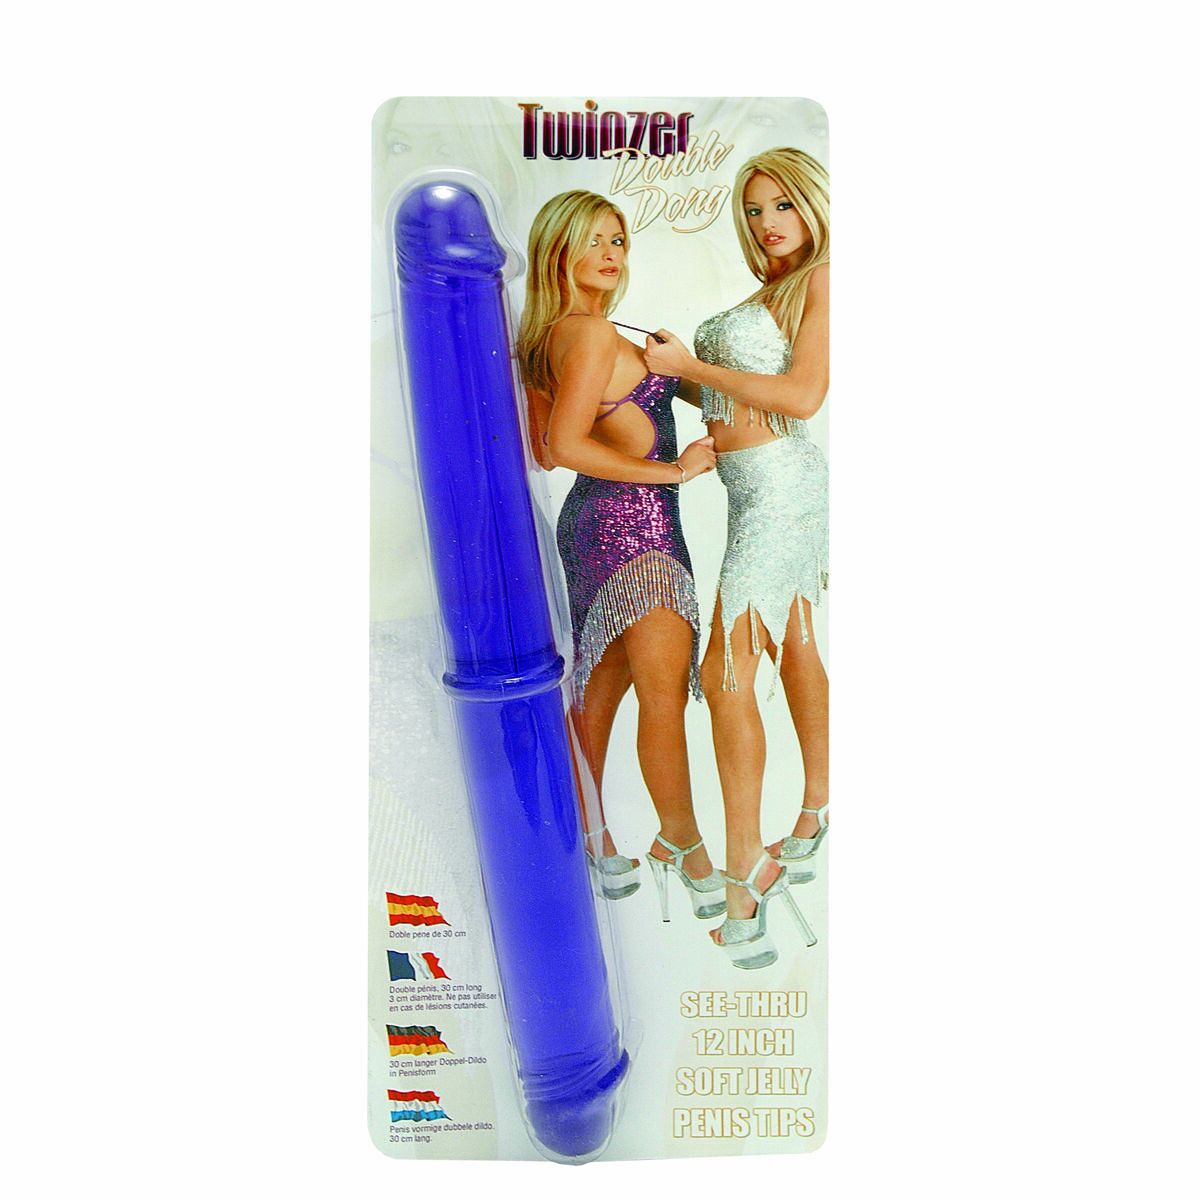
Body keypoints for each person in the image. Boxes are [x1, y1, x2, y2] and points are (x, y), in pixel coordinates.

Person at [643, 149, 830, 967]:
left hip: (782, 491)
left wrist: (689, 367)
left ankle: (746, 869)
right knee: (795, 646)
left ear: (813, 203)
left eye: (781, 204)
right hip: (756, 491)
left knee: (725, 675)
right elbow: (736, 392)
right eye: (754, 210)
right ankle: (815, 811)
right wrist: (663, 375)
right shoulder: (772, 292)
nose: (767, 222)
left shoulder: (825, 278)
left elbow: (802, 397)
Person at [517, 190, 724, 921]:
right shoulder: (592, 334)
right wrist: (674, 472)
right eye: (592, 240)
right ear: (557, 250)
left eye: (618, 239)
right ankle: (684, 843)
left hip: (597, 525)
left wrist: (681, 367)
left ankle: (592, 838)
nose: (610, 253)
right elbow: (565, 446)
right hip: (635, 531)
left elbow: (547, 450)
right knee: (661, 694)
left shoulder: (551, 335)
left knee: (598, 691)